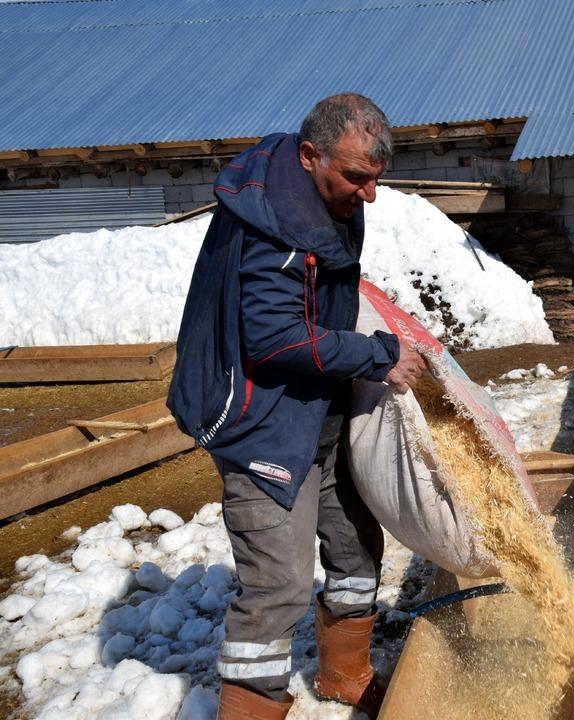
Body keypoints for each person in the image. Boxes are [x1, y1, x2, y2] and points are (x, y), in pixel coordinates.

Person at [167, 93, 426, 719]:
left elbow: (317, 294)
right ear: (310, 155)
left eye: (376, 180)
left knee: (356, 550)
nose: (368, 194)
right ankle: (252, 706)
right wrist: (374, 356)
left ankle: (344, 672)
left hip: (318, 407)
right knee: (278, 582)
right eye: (357, 177)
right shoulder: (273, 220)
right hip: (263, 420)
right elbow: (276, 335)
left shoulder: (321, 194)